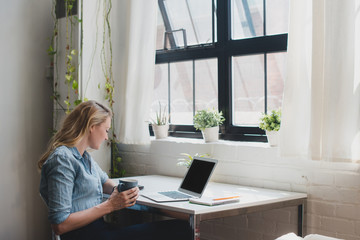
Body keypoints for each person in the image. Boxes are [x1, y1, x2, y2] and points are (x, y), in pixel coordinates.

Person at [38, 100, 191, 240]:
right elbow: (60, 225)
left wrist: (125, 191)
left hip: (99, 230)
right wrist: (110, 205)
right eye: (106, 130)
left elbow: (105, 183)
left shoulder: (84, 157)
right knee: (182, 230)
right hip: (88, 236)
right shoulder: (63, 160)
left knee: (181, 227)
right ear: (92, 127)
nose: (106, 137)